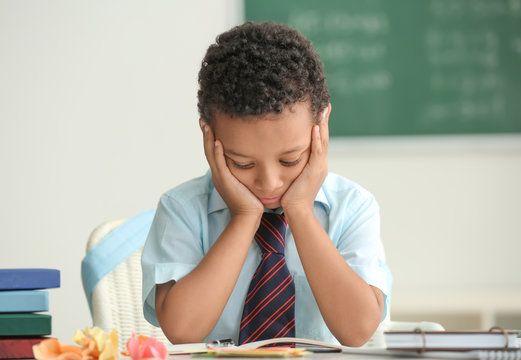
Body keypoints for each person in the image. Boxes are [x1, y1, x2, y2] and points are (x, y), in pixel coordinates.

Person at [141, 21, 392, 347]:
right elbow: (183, 330)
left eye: (289, 160)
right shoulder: (182, 210)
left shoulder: (352, 207)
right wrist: (245, 217)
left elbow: (357, 330)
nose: (269, 182)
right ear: (209, 137)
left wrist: (300, 211)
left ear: (321, 125)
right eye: (242, 163)